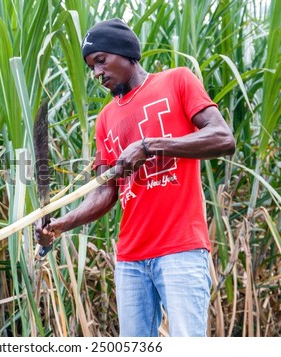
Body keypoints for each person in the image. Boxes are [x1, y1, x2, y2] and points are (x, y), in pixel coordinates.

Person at [35, 18, 235, 337]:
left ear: (126, 53)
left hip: (180, 249)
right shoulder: (105, 119)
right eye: (91, 67)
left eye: (101, 61)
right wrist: (61, 224)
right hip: (130, 258)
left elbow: (223, 138)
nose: (97, 73)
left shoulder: (177, 81)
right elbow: (104, 193)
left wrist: (149, 146)